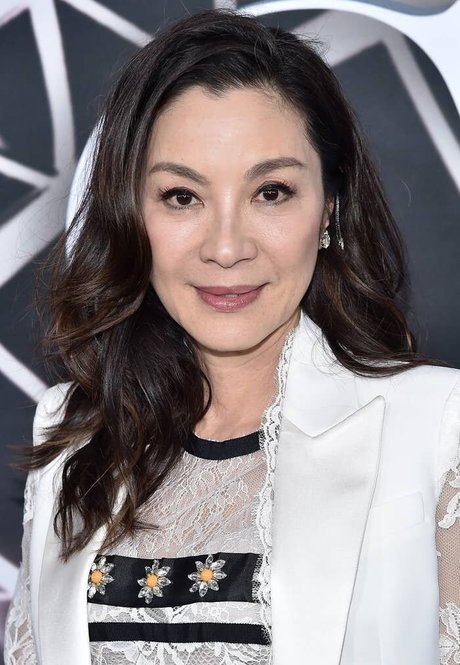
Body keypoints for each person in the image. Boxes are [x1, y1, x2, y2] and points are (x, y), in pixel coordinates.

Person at [4, 8, 460, 665]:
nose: (226, 247)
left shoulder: (436, 425)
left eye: (270, 192)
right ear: (131, 213)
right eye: (182, 196)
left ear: (328, 209)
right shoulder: (72, 437)